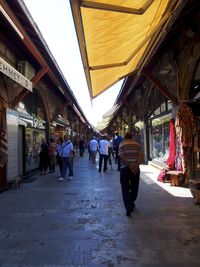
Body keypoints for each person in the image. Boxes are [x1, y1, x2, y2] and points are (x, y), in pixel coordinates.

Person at [119, 131, 143, 217]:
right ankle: (132, 200)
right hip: (135, 169)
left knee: (125, 188)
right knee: (134, 186)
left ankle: (128, 207)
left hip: (125, 169)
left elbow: (121, 156)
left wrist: (129, 166)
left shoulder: (122, 144)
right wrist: (135, 167)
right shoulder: (137, 144)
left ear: (125, 137)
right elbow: (141, 156)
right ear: (132, 137)